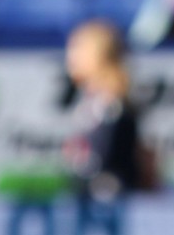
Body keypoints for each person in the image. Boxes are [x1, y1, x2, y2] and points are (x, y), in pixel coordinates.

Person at [62, 19, 156, 198]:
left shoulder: (110, 104)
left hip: (112, 202)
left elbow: (103, 163)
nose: (70, 56)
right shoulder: (94, 101)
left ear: (97, 55)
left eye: (76, 49)